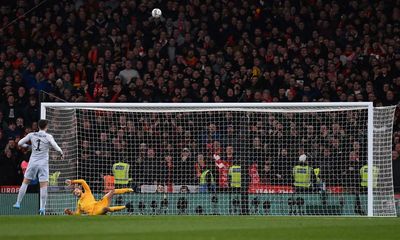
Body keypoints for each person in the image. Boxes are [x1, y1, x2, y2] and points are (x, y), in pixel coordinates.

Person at [13, 119, 63, 215]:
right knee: (43, 185)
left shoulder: (32, 135)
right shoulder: (48, 136)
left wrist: (28, 146)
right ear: (46, 126)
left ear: (38, 126)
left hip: (33, 162)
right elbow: (54, 145)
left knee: (25, 182)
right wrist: (61, 152)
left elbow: (19, 143)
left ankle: (18, 202)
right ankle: (42, 208)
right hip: (43, 163)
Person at [64, 179, 133, 215]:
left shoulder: (87, 192)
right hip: (94, 212)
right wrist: (70, 213)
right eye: (74, 192)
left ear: (80, 189)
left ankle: (130, 189)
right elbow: (77, 214)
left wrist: (72, 181)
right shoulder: (79, 203)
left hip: (98, 204)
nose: (76, 192)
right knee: (105, 209)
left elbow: (82, 181)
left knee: (112, 192)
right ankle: (125, 206)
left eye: (76, 190)